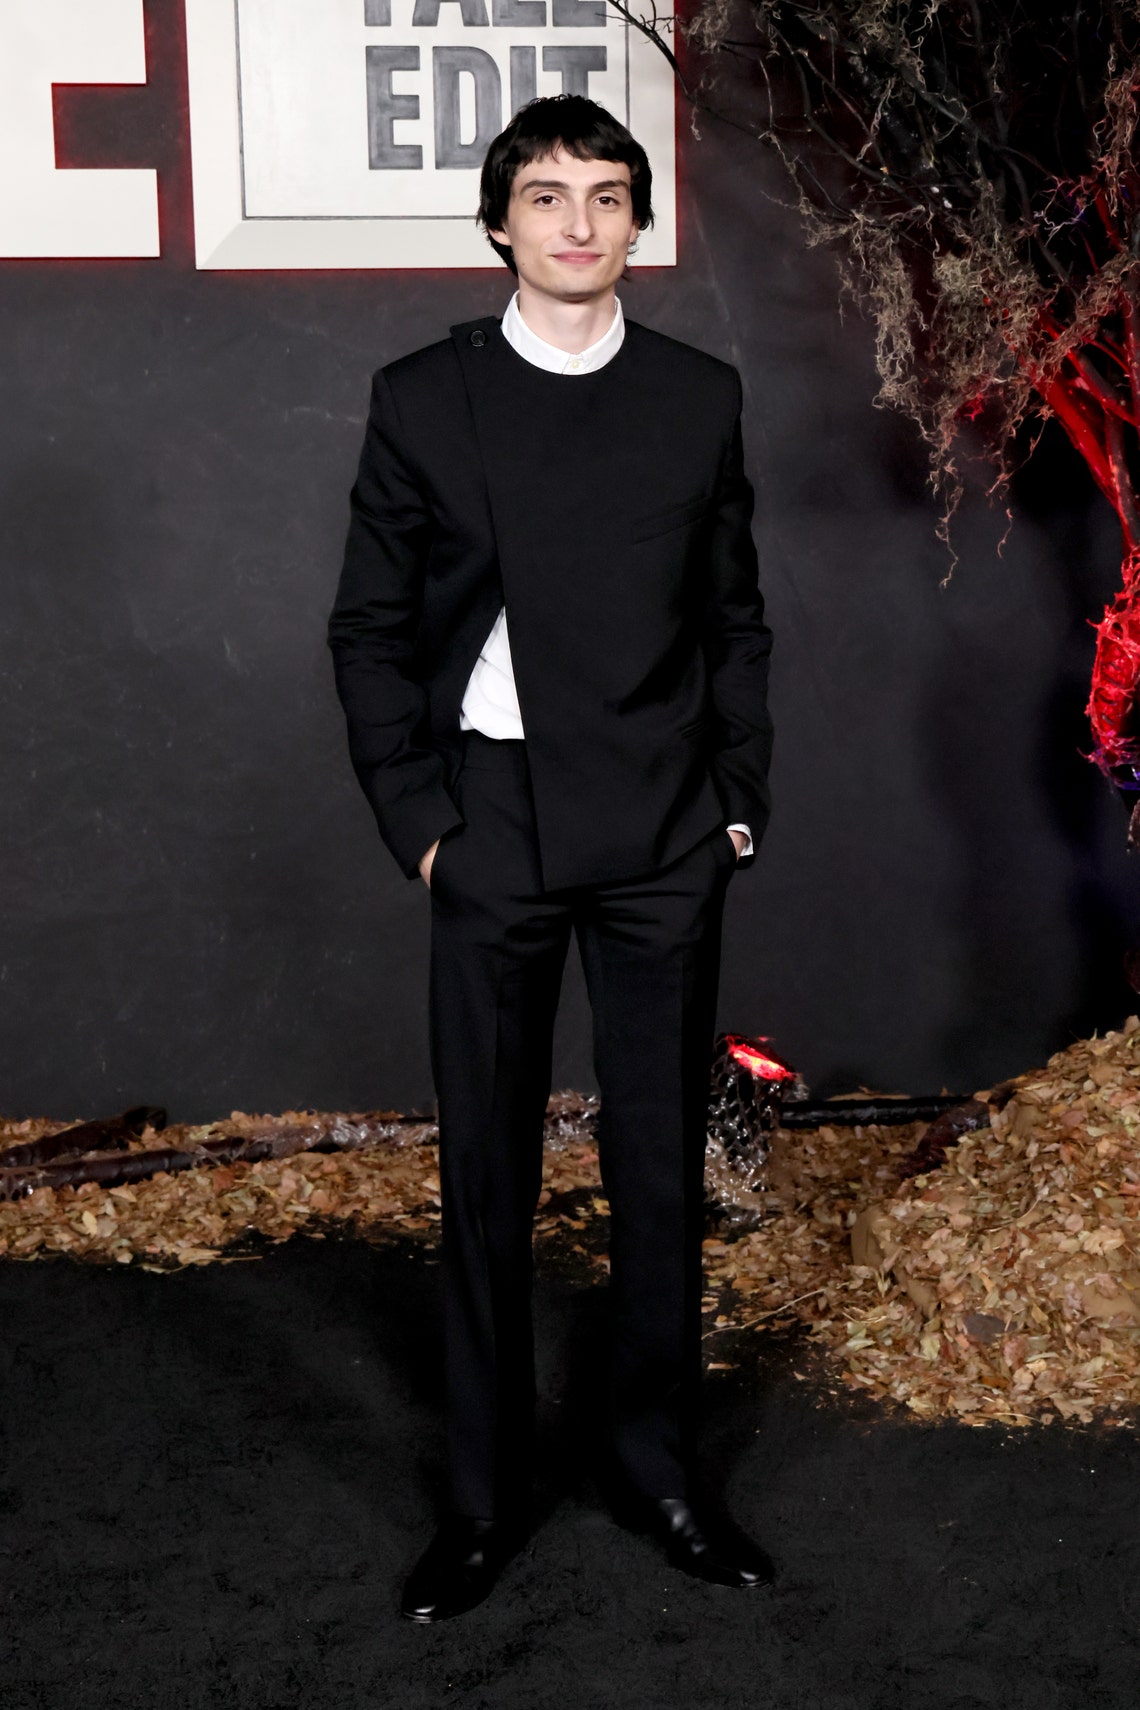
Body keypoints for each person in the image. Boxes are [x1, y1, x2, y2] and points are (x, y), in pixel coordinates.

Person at [328, 93, 774, 1623]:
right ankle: (481, 1496)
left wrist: (734, 800)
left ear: (639, 224)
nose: (578, 223)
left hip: (661, 828)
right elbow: (371, 628)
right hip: (493, 822)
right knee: (485, 1178)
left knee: (658, 1166)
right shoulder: (424, 396)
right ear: (497, 224)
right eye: (546, 196)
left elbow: (734, 616)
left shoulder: (697, 397)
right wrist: (423, 825)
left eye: (606, 196)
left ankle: (660, 1472)